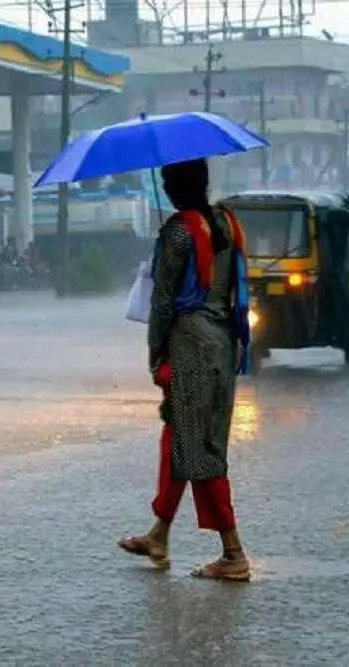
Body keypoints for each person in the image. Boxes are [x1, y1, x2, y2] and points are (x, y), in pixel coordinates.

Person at [118, 158, 252, 582]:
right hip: (223, 342)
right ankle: (159, 533)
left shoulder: (177, 232)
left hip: (190, 346)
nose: (165, 186)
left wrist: (156, 352)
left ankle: (233, 552)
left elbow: (161, 302)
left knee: (200, 449)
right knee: (181, 438)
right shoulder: (228, 223)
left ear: (177, 185)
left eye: (166, 180)